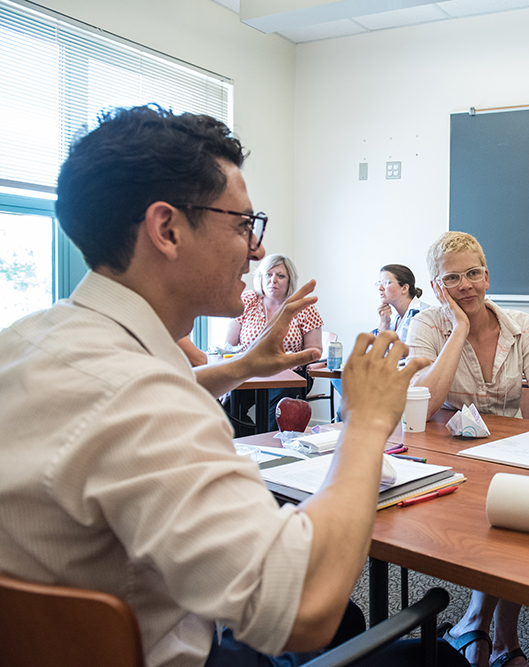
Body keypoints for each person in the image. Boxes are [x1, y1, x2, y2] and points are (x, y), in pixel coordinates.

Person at [0, 105, 466, 667]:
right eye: (244, 224)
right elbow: (304, 609)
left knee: (351, 618)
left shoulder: (27, 342)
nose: (259, 250)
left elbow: (126, 400)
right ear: (167, 229)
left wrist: (242, 365)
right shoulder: (147, 400)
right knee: (428, 655)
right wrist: (366, 422)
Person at [407, 231, 529, 667]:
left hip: (509, 458)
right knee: (503, 524)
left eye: (473, 273)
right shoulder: (425, 324)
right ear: (437, 287)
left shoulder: (521, 325)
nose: (466, 285)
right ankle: (496, 637)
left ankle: (484, 630)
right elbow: (421, 406)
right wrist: (458, 328)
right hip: (446, 462)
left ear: (487, 275)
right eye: (452, 278)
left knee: (520, 517)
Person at [227, 253, 324, 432]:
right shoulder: (248, 301)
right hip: (250, 372)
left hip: (289, 373)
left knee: (279, 404)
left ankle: (270, 444)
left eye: (280, 276)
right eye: (268, 275)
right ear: (261, 278)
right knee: (227, 406)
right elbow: (229, 345)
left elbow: (315, 349)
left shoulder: (304, 307)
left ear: (289, 280)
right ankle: (252, 442)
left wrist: (289, 360)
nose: (273, 280)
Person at [374, 263, 430, 344]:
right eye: (379, 283)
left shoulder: (425, 314)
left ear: (404, 288)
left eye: (386, 282)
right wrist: (383, 324)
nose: (380, 288)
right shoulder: (391, 320)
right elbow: (375, 354)